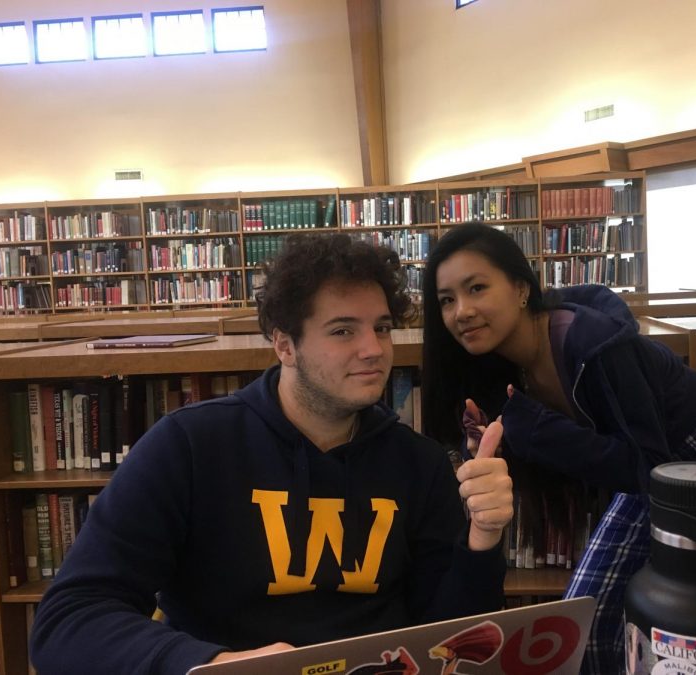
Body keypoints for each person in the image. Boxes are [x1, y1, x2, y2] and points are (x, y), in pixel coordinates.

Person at [30, 234, 513, 675]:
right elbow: (69, 619)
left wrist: (482, 539)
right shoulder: (191, 446)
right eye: (343, 331)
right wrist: (214, 663)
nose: (374, 350)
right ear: (284, 344)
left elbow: (451, 639)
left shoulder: (419, 463)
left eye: (382, 328)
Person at [420, 222, 696, 674]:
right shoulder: (505, 371)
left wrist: (536, 431)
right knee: (588, 618)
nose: (462, 311)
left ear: (520, 288)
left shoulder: (589, 342)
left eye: (477, 288)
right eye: (446, 300)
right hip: (660, 475)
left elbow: (645, 466)